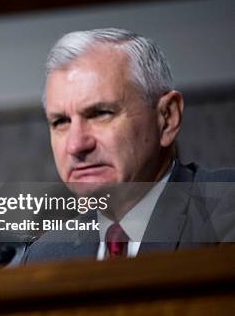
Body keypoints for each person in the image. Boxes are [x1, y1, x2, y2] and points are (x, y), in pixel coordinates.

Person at [23, 28, 235, 263]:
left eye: (100, 114)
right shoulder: (44, 256)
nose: (76, 145)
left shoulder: (225, 210)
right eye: (60, 121)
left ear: (167, 117)